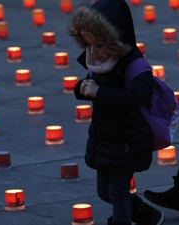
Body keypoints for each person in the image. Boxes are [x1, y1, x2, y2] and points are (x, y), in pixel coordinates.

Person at [69, 0, 165, 224]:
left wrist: (100, 92)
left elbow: (133, 100)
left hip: (127, 141)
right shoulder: (99, 62)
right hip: (106, 139)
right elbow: (92, 84)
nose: (94, 52)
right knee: (105, 192)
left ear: (117, 40)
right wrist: (82, 89)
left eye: (100, 46)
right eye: (89, 45)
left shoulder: (135, 66)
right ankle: (146, 214)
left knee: (118, 192)